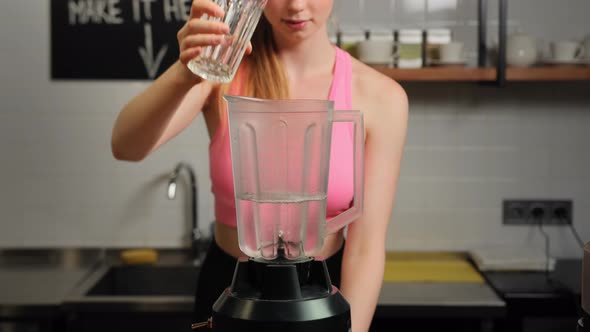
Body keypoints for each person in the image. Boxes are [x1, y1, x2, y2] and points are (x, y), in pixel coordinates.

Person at [111, 1, 408, 331]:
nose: (295, 5)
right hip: (231, 286)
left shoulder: (382, 97)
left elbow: (366, 247)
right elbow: (126, 146)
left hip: (323, 292)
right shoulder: (220, 70)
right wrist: (186, 70)